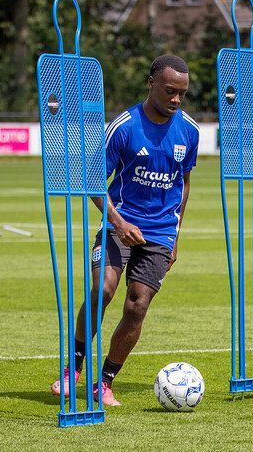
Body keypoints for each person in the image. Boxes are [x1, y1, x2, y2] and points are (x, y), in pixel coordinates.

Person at [50, 54, 199, 406]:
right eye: (169, 91)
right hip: (118, 224)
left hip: (161, 233)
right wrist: (119, 222)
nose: (175, 99)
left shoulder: (189, 130)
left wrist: (175, 239)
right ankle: (73, 369)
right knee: (103, 289)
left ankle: (105, 381)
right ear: (151, 84)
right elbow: (92, 184)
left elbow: (184, 184)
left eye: (181, 93)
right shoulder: (124, 127)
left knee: (137, 306)